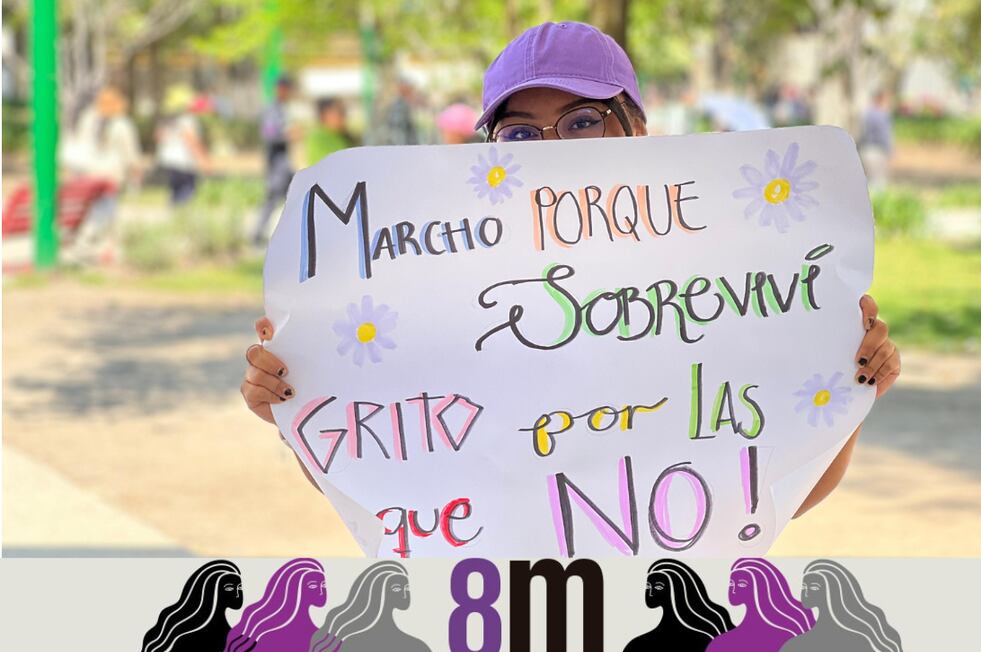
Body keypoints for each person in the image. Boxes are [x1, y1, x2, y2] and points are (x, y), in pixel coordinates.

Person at [241, 21, 902, 520]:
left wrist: (848, 393)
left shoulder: (717, 293)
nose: (552, 153)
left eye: (582, 121)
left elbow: (778, 492)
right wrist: (303, 410)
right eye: (521, 134)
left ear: (636, 127)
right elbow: (395, 498)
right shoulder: (442, 294)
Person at [778, 559, 909, 652]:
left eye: (813, 587)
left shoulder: (864, 645)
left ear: (834, 592)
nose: (805, 593)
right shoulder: (794, 648)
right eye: (804, 587)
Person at [304, 561, 434, 652]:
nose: (405, 595)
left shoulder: (419, 650)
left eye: (407, 588)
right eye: (396, 589)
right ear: (376, 593)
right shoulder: (351, 648)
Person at [65, 86, 141, 262]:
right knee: (108, 210)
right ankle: (102, 244)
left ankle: (101, 243)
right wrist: (136, 170)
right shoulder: (121, 123)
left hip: (88, 174)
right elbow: (130, 153)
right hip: (111, 175)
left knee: (98, 209)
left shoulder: (89, 120)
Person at [703, 558, 815, 652]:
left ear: (762, 588)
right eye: (731, 583)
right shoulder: (721, 645)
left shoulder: (786, 641)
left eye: (742, 584)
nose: (734, 590)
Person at [620, 559, 733, 652]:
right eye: (648, 586)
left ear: (678, 590)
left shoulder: (702, 643)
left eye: (658, 587)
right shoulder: (636, 647)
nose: (650, 593)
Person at [219, 558, 327, 652]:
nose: (321, 591)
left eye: (323, 585)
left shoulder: (325, 639)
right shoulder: (267, 639)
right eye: (312, 586)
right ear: (294, 590)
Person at [135, 560, 243, 652]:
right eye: (229, 588)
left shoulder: (239, 640)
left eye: (240, 587)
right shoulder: (184, 641)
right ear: (209, 592)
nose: (238, 594)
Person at [252, 75, 297, 244]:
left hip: (284, 163)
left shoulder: (282, 108)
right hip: (276, 163)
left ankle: (291, 233)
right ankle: (256, 234)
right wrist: (287, 135)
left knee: (294, 197)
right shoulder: (272, 109)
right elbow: (269, 135)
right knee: (272, 199)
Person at [156, 85, 210, 206]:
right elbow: (192, 141)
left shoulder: (166, 120)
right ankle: (182, 216)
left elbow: (159, 138)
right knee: (187, 191)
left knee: (175, 191)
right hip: (184, 161)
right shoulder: (188, 119)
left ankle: (173, 214)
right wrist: (204, 160)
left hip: (169, 161)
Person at [860, 89, 894, 189]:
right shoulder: (882, 115)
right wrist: (890, 151)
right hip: (878, 151)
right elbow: (884, 135)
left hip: (867, 150)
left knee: (869, 182)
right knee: (879, 183)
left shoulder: (867, 114)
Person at [305, 98, 353, 165]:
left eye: (343, 112)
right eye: (338, 112)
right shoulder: (318, 137)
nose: (343, 116)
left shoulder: (342, 135)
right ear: (324, 115)